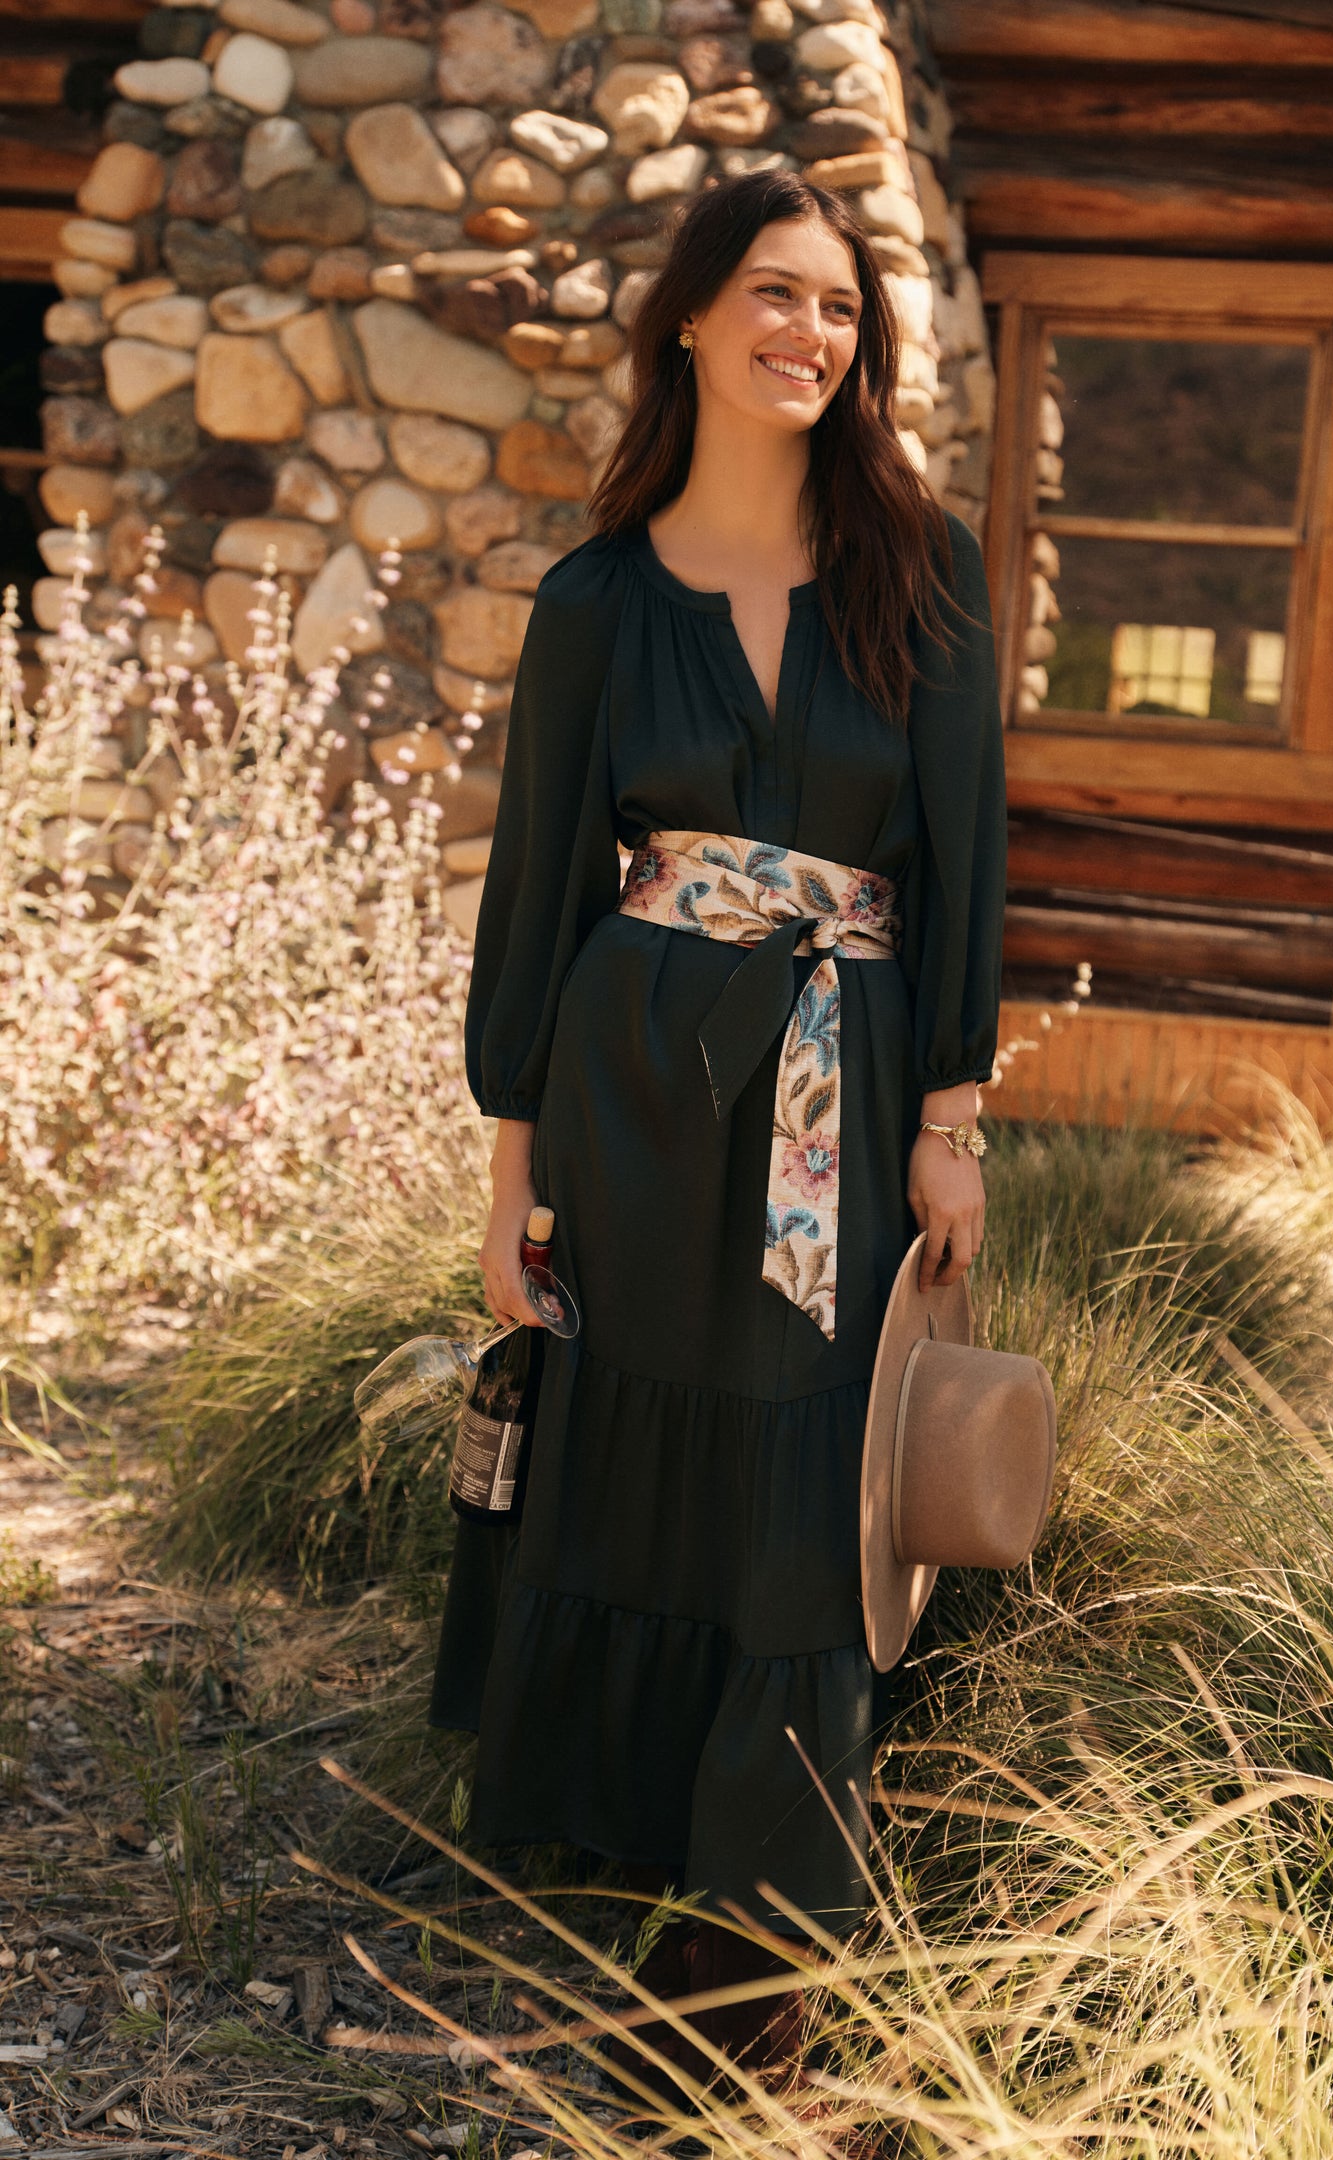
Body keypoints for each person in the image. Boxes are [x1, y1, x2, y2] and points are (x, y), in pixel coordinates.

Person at [427, 166, 1007, 2109]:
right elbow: (531, 890)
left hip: (836, 1075)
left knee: (797, 1445)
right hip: (628, 1076)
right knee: (637, 1416)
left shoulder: (918, 571)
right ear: (688, 319)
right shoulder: (596, 601)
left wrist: (954, 1115)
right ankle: (632, 1835)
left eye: (841, 310)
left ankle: (757, 1931)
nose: (809, 335)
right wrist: (512, 1175)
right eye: (772, 295)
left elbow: (967, 861)